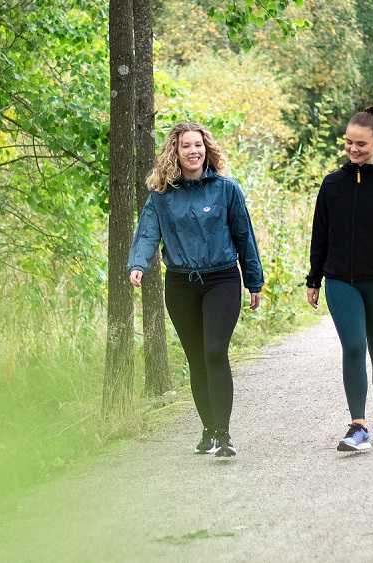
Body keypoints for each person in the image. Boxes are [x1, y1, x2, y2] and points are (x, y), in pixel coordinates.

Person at [128, 122, 264, 458]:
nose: (193, 151)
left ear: (207, 149)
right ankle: (208, 429)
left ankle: (224, 433)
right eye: (186, 146)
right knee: (196, 358)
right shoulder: (161, 196)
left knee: (214, 351)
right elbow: (147, 234)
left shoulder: (226, 190)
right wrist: (138, 264)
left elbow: (244, 236)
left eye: (198, 145)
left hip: (221, 280)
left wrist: (254, 281)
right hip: (180, 283)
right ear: (175, 151)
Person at [305, 104, 373, 452]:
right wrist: (314, 279)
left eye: (361, 144)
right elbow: (319, 234)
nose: (353, 149)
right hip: (341, 281)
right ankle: (357, 427)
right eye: (348, 142)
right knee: (353, 346)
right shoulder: (332, 184)